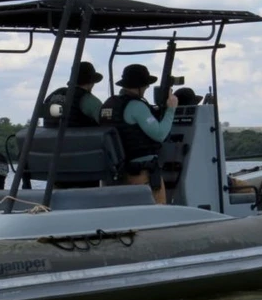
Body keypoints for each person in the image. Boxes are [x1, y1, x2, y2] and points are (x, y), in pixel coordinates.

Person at [100, 64, 178, 204]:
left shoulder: (108, 105)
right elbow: (160, 134)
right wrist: (171, 109)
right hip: (141, 173)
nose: (147, 88)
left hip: (114, 173)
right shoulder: (136, 106)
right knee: (157, 215)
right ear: (139, 86)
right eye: (146, 85)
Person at [41, 61, 103, 127]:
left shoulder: (51, 97)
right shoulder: (90, 101)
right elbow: (106, 123)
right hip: (81, 137)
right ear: (91, 83)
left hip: (51, 137)